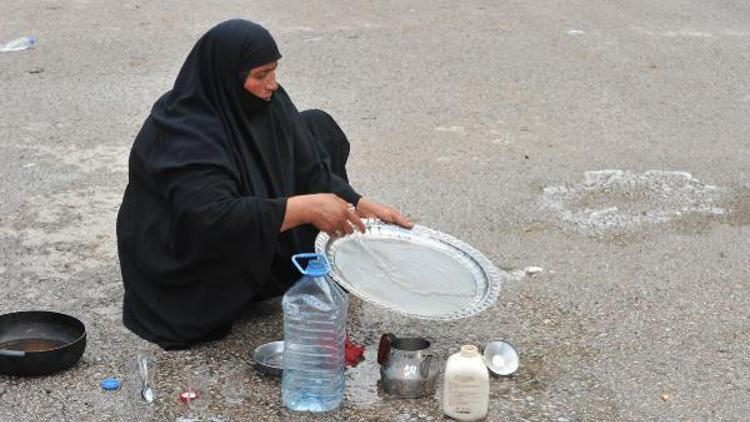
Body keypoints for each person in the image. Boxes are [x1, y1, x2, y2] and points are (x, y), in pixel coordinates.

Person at [116, 19, 412, 349]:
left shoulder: (266, 100)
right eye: (260, 76)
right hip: (189, 265)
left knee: (316, 126)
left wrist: (358, 204)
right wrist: (306, 208)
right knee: (294, 191)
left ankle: (304, 264)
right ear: (226, 76)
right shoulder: (184, 131)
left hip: (243, 225)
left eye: (273, 71)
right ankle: (261, 275)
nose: (272, 84)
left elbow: (308, 168)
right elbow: (212, 219)